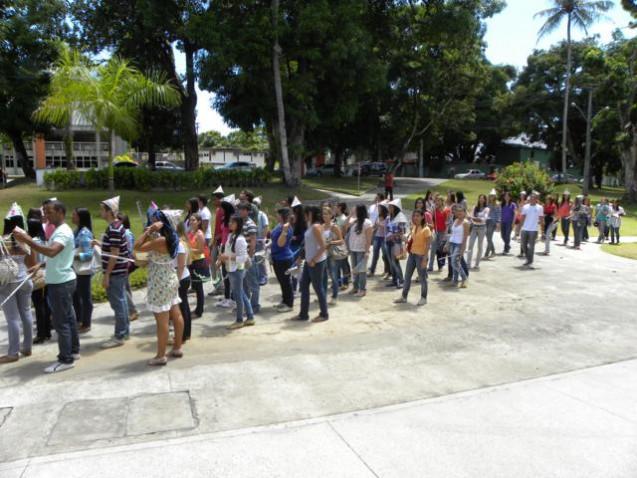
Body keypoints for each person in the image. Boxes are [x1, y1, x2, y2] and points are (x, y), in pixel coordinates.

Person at [13, 200, 79, 373]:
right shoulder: (59, 231)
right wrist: (40, 266)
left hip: (61, 283)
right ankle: (73, 351)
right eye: (45, 212)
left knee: (61, 322)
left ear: (60, 212)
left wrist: (28, 240)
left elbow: (52, 251)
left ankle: (66, 359)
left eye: (49, 212)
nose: (46, 215)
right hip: (63, 279)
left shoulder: (62, 232)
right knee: (69, 318)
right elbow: (56, 256)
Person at [134, 209, 184, 366]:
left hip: (160, 282)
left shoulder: (161, 240)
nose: (153, 220)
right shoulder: (173, 237)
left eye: (156, 219)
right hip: (169, 278)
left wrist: (148, 230)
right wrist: (152, 232)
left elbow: (136, 246)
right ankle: (177, 347)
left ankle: (161, 356)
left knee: (161, 321)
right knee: (176, 314)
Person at [0, 205, 36, 364]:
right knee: (26, 314)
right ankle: (27, 347)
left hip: (8, 283)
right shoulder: (26, 239)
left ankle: (13, 353)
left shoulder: (2, 241)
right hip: (25, 280)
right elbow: (32, 263)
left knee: (12, 318)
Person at [95, 196, 130, 348]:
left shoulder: (114, 229)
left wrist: (107, 275)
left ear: (109, 212)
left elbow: (114, 254)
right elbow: (113, 248)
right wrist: (101, 244)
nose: (100, 212)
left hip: (115, 272)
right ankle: (124, 331)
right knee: (121, 301)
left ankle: (120, 335)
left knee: (118, 303)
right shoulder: (116, 227)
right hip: (119, 271)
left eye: (102, 209)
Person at [292, 206, 329, 322]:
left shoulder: (316, 227)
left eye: (307, 213)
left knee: (318, 288)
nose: (305, 215)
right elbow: (306, 244)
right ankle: (303, 314)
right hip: (309, 261)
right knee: (303, 286)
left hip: (316, 262)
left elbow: (323, 246)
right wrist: (301, 257)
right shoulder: (310, 225)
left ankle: (324, 314)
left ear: (312, 214)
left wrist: (314, 259)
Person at [218, 215, 254, 329]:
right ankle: (250, 317)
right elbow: (228, 251)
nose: (229, 224)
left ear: (237, 224)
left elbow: (242, 257)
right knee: (241, 293)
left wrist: (227, 257)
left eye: (232, 222)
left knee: (238, 295)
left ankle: (239, 320)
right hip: (231, 269)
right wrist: (222, 259)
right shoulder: (231, 236)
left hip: (237, 270)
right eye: (230, 222)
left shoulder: (240, 239)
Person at [394, 209, 431, 306]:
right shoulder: (414, 227)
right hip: (412, 255)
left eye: (418, 216)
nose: (415, 217)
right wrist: (405, 239)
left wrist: (425, 259)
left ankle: (423, 298)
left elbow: (428, 245)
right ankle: (404, 297)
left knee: (422, 278)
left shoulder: (426, 229)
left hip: (421, 256)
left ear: (423, 217)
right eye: (414, 216)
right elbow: (412, 241)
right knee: (407, 277)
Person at [28, 218, 51, 344]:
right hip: (46, 275)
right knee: (45, 304)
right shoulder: (44, 240)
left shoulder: (34, 242)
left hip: (38, 276)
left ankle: (41, 334)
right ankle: (46, 331)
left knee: (39, 306)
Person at [71, 208, 95, 333]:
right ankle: (79, 319)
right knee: (76, 296)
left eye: (74, 214)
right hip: (76, 269)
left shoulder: (85, 233)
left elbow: (89, 254)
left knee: (85, 297)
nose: (72, 216)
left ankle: (86, 323)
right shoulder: (76, 231)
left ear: (80, 217)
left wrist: (74, 256)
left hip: (83, 270)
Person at [344, 204, 373, 297]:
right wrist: (350, 214)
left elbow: (369, 239)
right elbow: (345, 225)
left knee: (361, 271)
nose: (354, 211)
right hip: (353, 249)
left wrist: (367, 251)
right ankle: (355, 287)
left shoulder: (367, 222)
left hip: (361, 250)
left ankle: (362, 289)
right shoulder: (354, 221)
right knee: (355, 270)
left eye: (355, 210)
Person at [271, 208, 295, 312]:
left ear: (282, 216)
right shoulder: (279, 225)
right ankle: (284, 301)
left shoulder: (286, 228)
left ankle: (289, 304)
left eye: (278, 214)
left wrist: (284, 231)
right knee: (281, 281)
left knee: (286, 282)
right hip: (276, 257)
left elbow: (281, 243)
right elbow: (273, 238)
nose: (276, 216)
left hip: (284, 258)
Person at [238, 203, 260, 316]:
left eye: (242, 209)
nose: (240, 211)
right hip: (242, 258)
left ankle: (255, 306)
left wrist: (250, 257)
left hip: (248, 258)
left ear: (247, 211)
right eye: (239, 209)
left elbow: (253, 242)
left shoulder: (250, 224)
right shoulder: (241, 223)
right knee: (245, 284)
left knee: (253, 284)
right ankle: (247, 306)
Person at [187, 213, 210, 318]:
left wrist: (189, 250)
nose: (191, 222)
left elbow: (201, 250)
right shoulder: (191, 232)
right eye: (190, 220)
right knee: (196, 287)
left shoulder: (200, 234)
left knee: (199, 287)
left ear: (199, 222)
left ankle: (199, 310)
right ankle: (197, 308)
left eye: (193, 220)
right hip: (192, 261)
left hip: (198, 262)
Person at [118, 213, 139, 322]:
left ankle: (132, 310)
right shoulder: (126, 232)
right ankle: (129, 308)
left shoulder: (126, 233)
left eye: (119, 220)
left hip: (125, 263)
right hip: (125, 262)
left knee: (123, 287)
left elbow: (128, 250)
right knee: (125, 286)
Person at [215, 196, 236, 309]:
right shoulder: (225, 218)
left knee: (229, 273)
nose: (220, 210)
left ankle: (232, 298)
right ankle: (227, 296)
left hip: (228, 248)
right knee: (224, 273)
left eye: (222, 208)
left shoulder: (232, 219)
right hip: (223, 246)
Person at [322, 207, 345, 305]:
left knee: (333, 276)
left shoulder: (334, 227)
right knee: (323, 277)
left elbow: (341, 240)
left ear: (331, 215)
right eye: (323, 214)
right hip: (323, 255)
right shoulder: (321, 226)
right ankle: (323, 296)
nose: (324, 216)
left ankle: (335, 296)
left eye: (326, 214)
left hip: (332, 255)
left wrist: (331, 242)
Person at [385, 199, 408, 289]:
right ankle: (394, 281)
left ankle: (401, 281)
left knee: (395, 262)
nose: (389, 208)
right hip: (389, 242)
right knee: (392, 262)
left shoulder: (400, 218)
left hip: (396, 243)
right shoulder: (389, 217)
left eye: (390, 207)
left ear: (395, 208)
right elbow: (387, 229)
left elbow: (402, 231)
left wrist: (393, 235)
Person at [175, 223, 192, 341]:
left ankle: (183, 334)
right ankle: (186, 333)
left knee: (182, 307)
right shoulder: (183, 242)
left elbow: (181, 266)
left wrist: (176, 281)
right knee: (184, 305)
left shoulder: (180, 244)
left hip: (181, 277)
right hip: (184, 276)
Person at [519, 192, 544, 267]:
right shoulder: (525, 207)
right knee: (523, 244)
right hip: (525, 228)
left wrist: (542, 231)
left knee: (531, 246)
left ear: (536, 199)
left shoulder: (540, 207)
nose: (532, 199)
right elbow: (522, 218)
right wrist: (519, 228)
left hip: (534, 230)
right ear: (529, 198)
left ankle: (530, 260)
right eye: (531, 197)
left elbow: (541, 219)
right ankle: (528, 258)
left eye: (534, 198)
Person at [448, 205, 470, 288]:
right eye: (458, 211)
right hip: (452, 243)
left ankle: (464, 278)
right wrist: (447, 244)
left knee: (454, 262)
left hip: (459, 244)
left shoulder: (466, 223)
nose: (459, 212)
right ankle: (455, 280)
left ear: (464, 213)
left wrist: (462, 250)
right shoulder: (455, 220)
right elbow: (452, 234)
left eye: (461, 211)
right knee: (454, 263)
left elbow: (465, 238)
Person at [466, 194, 489, 270]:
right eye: (480, 198)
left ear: (485, 200)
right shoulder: (475, 207)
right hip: (474, 227)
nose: (481, 200)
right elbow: (471, 218)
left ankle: (477, 264)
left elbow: (483, 219)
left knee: (480, 246)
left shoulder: (487, 209)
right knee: (470, 245)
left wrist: (473, 218)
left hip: (482, 228)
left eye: (483, 198)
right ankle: (468, 263)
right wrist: (473, 218)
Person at [369, 202, 390, 277]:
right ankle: (372, 270)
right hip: (377, 237)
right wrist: (373, 228)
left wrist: (380, 225)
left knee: (385, 255)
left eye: (379, 208)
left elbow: (388, 227)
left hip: (384, 238)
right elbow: (374, 226)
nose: (378, 209)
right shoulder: (377, 216)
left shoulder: (387, 217)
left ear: (383, 209)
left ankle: (387, 271)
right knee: (375, 254)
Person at [253, 197, 269, 286]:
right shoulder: (252, 215)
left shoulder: (262, 214)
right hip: (253, 240)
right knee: (254, 260)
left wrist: (262, 238)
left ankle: (263, 277)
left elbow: (266, 227)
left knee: (260, 259)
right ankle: (257, 276)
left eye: (255, 204)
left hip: (259, 240)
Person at [429, 197, 449, 271]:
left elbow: (447, 223)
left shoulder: (446, 210)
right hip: (436, 231)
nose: (437, 202)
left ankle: (440, 266)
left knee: (440, 250)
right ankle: (430, 266)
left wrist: (445, 234)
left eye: (438, 201)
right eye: (436, 201)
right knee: (433, 249)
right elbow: (430, 218)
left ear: (442, 201)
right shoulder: (434, 210)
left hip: (443, 232)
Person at [334, 202, 351, 290]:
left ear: (340, 208)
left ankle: (346, 281)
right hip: (334, 243)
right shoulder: (335, 218)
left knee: (343, 263)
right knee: (336, 264)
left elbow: (344, 233)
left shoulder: (343, 218)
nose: (334, 208)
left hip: (341, 243)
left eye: (336, 207)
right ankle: (338, 282)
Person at [484, 190, 501, 259]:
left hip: (492, 222)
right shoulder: (487, 203)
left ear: (495, 197)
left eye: (493, 196)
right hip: (486, 221)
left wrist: (498, 222)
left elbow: (499, 214)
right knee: (488, 238)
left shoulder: (497, 204)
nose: (491, 197)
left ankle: (493, 252)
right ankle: (486, 254)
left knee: (489, 237)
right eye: (490, 195)